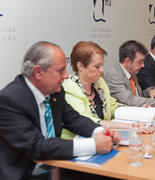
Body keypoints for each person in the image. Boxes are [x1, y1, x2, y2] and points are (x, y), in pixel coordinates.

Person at [0, 41, 120, 180]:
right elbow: (38, 147)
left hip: (57, 166)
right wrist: (94, 145)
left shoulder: (55, 91)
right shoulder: (9, 101)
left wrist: (101, 131)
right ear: (38, 72)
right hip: (27, 173)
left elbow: (74, 119)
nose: (66, 76)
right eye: (60, 70)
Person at [62, 41, 152, 139]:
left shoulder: (99, 82)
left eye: (102, 65)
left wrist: (138, 111)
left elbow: (113, 106)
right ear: (80, 66)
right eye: (97, 66)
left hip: (104, 139)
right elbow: (87, 121)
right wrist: (131, 126)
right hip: (78, 143)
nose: (102, 70)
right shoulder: (69, 87)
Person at [105, 40, 155, 108]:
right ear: (128, 61)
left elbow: (138, 95)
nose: (143, 65)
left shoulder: (132, 72)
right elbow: (130, 100)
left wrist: (150, 91)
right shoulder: (113, 74)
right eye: (140, 62)